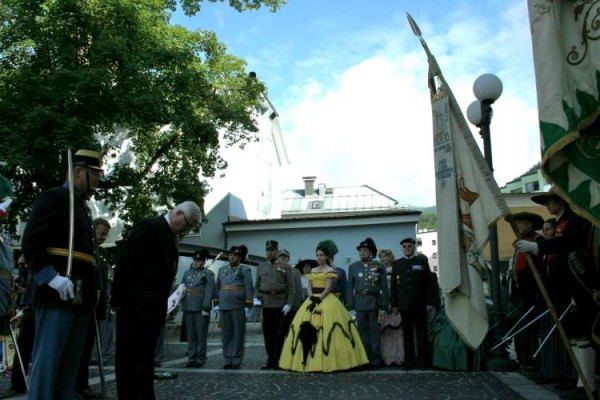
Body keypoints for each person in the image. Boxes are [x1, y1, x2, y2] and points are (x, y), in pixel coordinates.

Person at [21, 149, 103, 399]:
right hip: (56, 291)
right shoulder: (54, 198)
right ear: (78, 172)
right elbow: (32, 242)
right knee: (48, 364)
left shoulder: (83, 208)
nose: (99, 179)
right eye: (95, 174)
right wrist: (50, 277)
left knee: (69, 366)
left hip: (80, 294)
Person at [111, 201, 200, 400]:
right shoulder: (149, 227)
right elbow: (127, 263)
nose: (187, 229)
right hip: (134, 307)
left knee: (145, 361)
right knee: (129, 361)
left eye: (191, 228)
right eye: (187, 224)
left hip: (152, 311)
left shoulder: (171, 236)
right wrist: (118, 300)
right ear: (177, 213)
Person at [517, 189, 599, 399]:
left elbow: (570, 244)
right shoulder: (562, 221)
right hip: (561, 286)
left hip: (576, 284)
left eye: (551, 201)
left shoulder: (575, 220)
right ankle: (579, 382)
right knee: (572, 335)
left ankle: (587, 385)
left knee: (581, 333)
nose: (548, 206)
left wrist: (538, 246)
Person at [279, 239, 368, 372]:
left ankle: (333, 361)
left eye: (321, 255)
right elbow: (309, 285)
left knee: (330, 329)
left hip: (326, 299)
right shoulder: (313, 270)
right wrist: (311, 297)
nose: (319, 257)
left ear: (326, 257)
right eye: (317, 255)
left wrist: (319, 299)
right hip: (312, 299)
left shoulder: (330, 270)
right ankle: (305, 360)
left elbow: (328, 288)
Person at [75, 217, 112, 399]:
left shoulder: (101, 254)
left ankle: (83, 385)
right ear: (93, 230)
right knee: (79, 349)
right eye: (101, 234)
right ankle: (76, 386)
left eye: (106, 235)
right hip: (84, 307)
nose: (103, 238)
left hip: (95, 309)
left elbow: (103, 282)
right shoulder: (86, 249)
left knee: (87, 348)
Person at [535, 217, 576, 385]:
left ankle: (565, 375)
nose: (546, 233)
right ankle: (550, 371)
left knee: (561, 338)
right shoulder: (546, 253)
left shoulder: (559, 253)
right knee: (548, 337)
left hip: (560, 298)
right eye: (544, 230)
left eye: (549, 230)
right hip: (547, 300)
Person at [506, 212, 545, 376]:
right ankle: (524, 362)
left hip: (532, 293)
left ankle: (532, 364)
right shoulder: (520, 243)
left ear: (530, 224)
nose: (518, 227)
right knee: (521, 330)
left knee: (530, 330)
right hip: (520, 293)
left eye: (521, 223)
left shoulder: (538, 242)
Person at [390, 237, 435, 370]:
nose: (407, 248)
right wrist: (394, 304)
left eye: (409, 246)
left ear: (414, 247)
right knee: (407, 335)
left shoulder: (421, 261)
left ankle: (423, 362)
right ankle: (409, 362)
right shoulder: (397, 264)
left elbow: (429, 283)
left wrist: (430, 302)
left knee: (421, 334)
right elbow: (394, 286)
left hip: (420, 304)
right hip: (405, 305)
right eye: (404, 246)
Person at [347, 237, 389, 369]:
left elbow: (384, 287)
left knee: (375, 332)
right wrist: (351, 305)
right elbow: (349, 287)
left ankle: (376, 359)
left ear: (371, 252)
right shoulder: (353, 267)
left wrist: (384, 305)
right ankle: (365, 358)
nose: (363, 253)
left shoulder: (379, 266)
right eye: (361, 250)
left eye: (365, 250)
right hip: (359, 303)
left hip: (375, 303)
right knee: (362, 332)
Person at [254, 240, 296, 370]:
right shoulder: (261, 267)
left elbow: (291, 287)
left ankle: (278, 359)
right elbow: (257, 285)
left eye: (272, 250)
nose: (269, 253)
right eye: (268, 250)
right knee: (268, 333)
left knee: (279, 333)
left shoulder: (285, 266)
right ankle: (270, 359)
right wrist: (256, 298)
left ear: (277, 251)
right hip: (266, 303)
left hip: (280, 303)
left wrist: (289, 303)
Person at [214, 245, 253, 369]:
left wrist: (248, 304)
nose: (232, 257)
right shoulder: (221, 270)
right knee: (226, 334)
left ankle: (236, 359)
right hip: (224, 306)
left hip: (238, 305)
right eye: (230, 254)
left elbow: (248, 287)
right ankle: (227, 359)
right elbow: (217, 287)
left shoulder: (244, 270)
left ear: (239, 258)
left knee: (237, 334)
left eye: (235, 255)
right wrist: (215, 303)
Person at [179, 248, 215, 368]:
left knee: (200, 334)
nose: (196, 262)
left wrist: (206, 306)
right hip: (188, 307)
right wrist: (181, 303)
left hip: (200, 308)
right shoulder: (187, 273)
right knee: (191, 335)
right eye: (195, 260)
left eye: (199, 260)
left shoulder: (208, 274)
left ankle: (201, 358)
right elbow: (182, 289)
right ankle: (191, 357)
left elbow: (209, 291)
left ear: (204, 261)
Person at [378, 248, 404, 367]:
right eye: (381, 257)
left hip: (395, 300)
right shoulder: (379, 270)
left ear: (390, 256)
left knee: (397, 330)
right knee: (385, 331)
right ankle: (386, 356)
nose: (383, 259)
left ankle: (398, 355)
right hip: (383, 301)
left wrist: (395, 303)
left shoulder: (396, 268)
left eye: (385, 256)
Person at [280, 249, 304, 320]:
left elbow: (299, 290)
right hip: (276, 304)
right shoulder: (273, 270)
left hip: (291, 305)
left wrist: (296, 306)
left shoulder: (295, 272)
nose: (283, 258)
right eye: (281, 256)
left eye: (285, 257)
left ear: (288, 259)